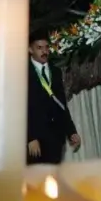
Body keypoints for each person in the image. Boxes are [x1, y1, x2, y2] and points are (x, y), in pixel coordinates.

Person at [27, 31, 80, 164]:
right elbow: (21, 108)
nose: (44, 51)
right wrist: (30, 138)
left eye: (46, 47)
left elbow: (61, 104)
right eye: (39, 48)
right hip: (35, 140)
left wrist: (71, 132)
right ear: (30, 49)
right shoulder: (23, 72)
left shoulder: (55, 72)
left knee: (52, 179)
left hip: (55, 138)